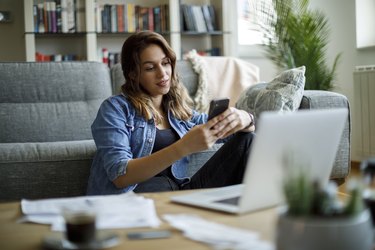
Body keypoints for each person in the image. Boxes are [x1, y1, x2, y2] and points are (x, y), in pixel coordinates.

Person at [87, 31, 255, 195]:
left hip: (179, 193)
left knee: (246, 139)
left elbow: (226, 131)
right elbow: (120, 175)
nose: (162, 73)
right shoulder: (116, 109)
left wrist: (245, 119)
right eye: (150, 68)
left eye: (165, 63)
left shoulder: (178, 112)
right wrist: (183, 147)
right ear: (133, 74)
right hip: (137, 200)